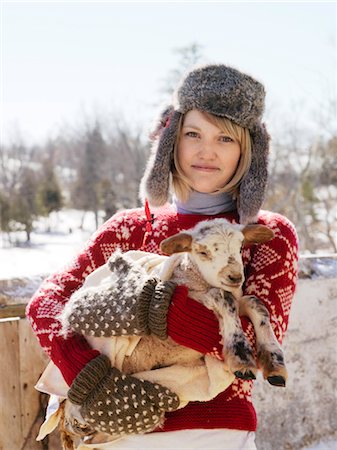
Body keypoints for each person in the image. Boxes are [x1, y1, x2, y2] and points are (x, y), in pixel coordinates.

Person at [27, 64, 299, 449]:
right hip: (112, 430)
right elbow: (47, 301)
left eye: (225, 138)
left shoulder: (265, 236)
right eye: (193, 134)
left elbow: (254, 347)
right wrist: (84, 371)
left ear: (248, 151)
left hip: (213, 433)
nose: (206, 151)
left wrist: (154, 306)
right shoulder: (128, 228)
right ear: (172, 138)